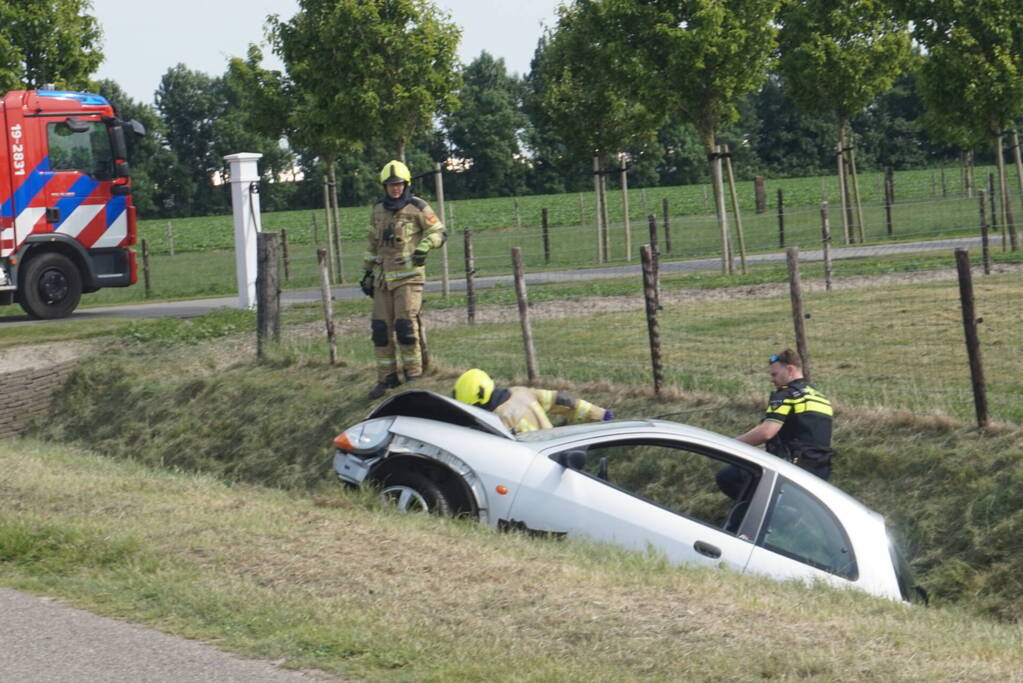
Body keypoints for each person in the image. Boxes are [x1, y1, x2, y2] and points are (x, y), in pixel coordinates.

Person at [362, 160, 447, 399]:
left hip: (408, 279)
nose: (395, 189)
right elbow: (372, 242)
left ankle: (413, 376)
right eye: (390, 185)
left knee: (405, 327)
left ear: (406, 184)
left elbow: (439, 232)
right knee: (380, 330)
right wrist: (367, 271)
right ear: (384, 187)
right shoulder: (378, 209)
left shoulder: (418, 207)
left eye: (398, 184)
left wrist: (424, 247)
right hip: (382, 280)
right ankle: (386, 378)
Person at [717, 348, 835, 499]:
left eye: (774, 374)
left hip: (791, 467)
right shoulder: (821, 397)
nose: (772, 380)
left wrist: (730, 444)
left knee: (728, 477)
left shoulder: (785, 394)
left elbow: (767, 432)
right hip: (819, 471)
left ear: (790, 370)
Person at [452, 368, 614, 433]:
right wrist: (600, 414)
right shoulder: (521, 392)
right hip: (558, 449)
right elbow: (564, 402)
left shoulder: (494, 420)